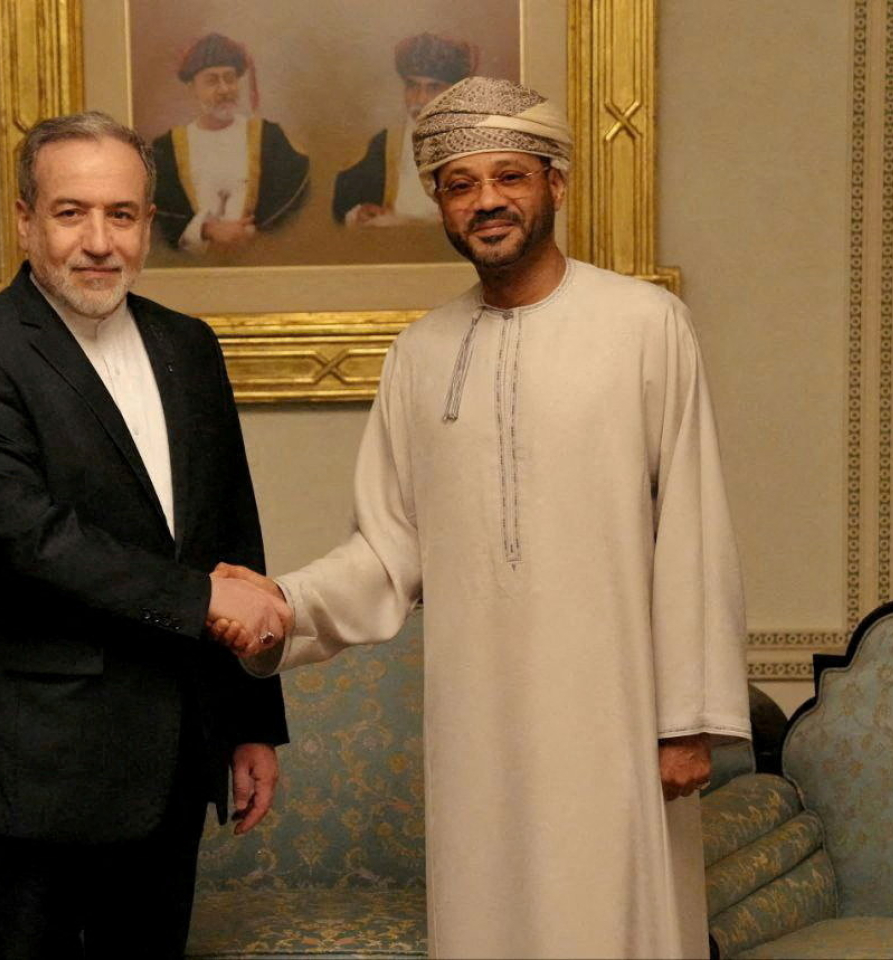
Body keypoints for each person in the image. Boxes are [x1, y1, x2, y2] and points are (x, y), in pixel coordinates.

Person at [213, 77, 751, 958]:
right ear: (439, 201)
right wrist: (280, 604)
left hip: (617, 717)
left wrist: (685, 720)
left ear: (556, 185)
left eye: (511, 176)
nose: (488, 200)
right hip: (477, 728)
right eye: (461, 184)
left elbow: (692, 528)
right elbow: (388, 554)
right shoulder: (420, 354)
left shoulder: (647, 326)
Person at [0, 110, 291, 959]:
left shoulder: (188, 347)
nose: (98, 241)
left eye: (121, 215)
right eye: (70, 212)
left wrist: (249, 719)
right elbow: (28, 540)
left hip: (175, 756)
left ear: (147, 225)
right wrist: (204, 599)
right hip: (40, 757)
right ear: (24, 219)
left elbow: (231, 530)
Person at [152, 33, 309, 253]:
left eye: (230, 78)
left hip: (258, 261)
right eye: (212, 80)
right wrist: (206, 230)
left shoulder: (270, 138)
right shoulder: (167, 149)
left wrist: (257, 232)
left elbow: (297, 200)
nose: (225, 89)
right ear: (192, 88)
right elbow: (157, 218)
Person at [331, 33, 476, 226]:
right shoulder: (385, 143)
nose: (420, 99)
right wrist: (361, 212)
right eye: (412, 86)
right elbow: (343, 204)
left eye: (433, 88)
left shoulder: (477, 142)